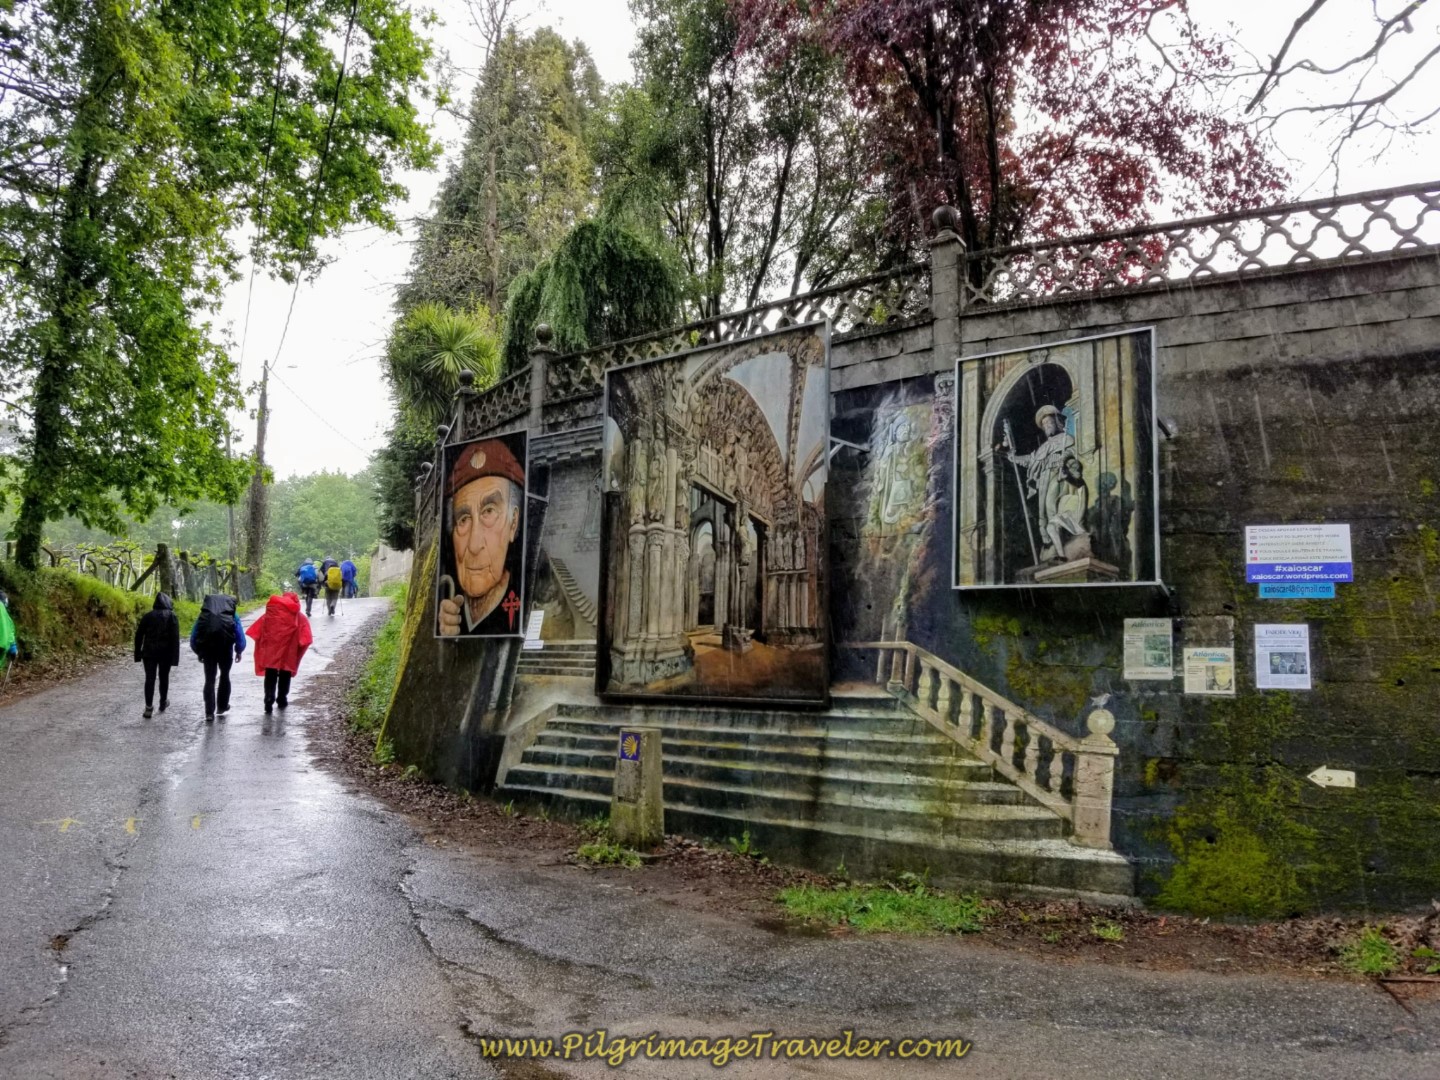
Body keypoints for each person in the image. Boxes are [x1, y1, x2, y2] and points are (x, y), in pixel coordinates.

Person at [438, 437, 525, 636]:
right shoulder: (449, 605)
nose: (474, 545)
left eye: (489, 512)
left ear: (513, 524)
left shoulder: (527, 600)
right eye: (463, 520)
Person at [245, 591, 313, 714]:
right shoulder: (299, 617)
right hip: (289, 651)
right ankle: (282, 699)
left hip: (271, 650)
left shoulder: (270, 614)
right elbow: (306, 638)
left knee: (270, 672)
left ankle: (268, 698)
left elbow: (256, 632)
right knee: (285, 672)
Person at [190, 593, 245, 722]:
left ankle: (209, 712)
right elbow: (240, 635)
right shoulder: (232, 615)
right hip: (226, 649)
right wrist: (239, 650)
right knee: (225, 675)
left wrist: (199, 651)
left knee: (209, 679)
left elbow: (194, 636)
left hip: (208, 650)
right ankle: (222, 706)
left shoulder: (204, 615)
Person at [133, 593, 180, 718]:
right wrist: (175, 658)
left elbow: (139, 635)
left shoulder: (148, 616)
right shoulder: (172, 616)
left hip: (149, 653)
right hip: (166, 653)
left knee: (150, 678)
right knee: (164, 677)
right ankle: (163, 702)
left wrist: (137, 654)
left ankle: (148, 707)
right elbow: (175, 638)